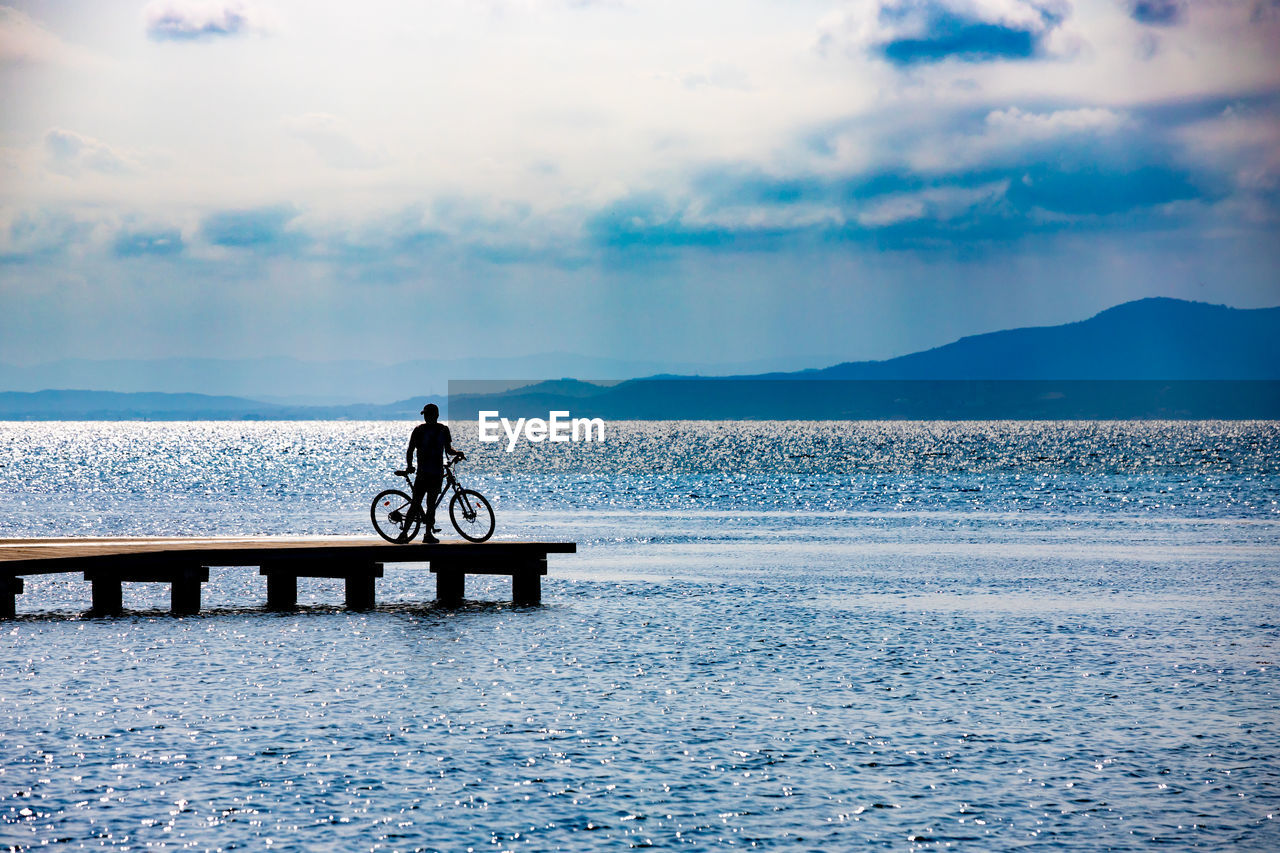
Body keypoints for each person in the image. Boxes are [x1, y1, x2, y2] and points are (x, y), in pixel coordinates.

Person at [401, 403, 464, 543]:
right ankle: (412, 534)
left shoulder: (435, 430)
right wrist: (410, 466)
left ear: (435, 415)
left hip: (432, 473)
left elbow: (447, 449)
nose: (426, 418)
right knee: (421, 504)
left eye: (428, 415)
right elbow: (411, 450)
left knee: (425, 504)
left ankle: (421, 534)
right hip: (427, 473)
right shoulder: (430, 430)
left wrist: (457, 452)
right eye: (425, 415)